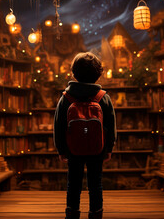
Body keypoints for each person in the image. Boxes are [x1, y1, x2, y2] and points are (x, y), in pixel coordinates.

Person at [54, 52, 117, 219]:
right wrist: (109, 148)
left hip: (72, 149)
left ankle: (72, 214)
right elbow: (110, 125)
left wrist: (61, 149)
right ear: (98, 74)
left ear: (74, 73)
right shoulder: (103, 98)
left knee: (73, 183)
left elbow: (58, 125)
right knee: (95, 183)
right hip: (98, 148)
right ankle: (96, 214)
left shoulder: (66, 97)